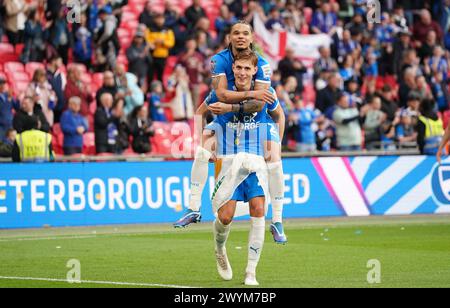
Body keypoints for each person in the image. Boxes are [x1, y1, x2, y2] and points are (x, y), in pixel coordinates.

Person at [175, 22, 287, 244]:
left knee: (275, 161)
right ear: (230, 38)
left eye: (245, 33)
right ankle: (194, 208)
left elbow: (259, 104)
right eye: (236, 33)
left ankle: (277, 220)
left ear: (252, 38)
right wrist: (202, 139)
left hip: (259, 123)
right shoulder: (219, 61)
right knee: (200, 153)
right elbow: (219, 97)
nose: (240, 37)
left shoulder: (263, 66)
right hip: (228, 122)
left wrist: (278, 143)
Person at [201, 50, 282, 285]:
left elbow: (279, 115)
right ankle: (219, 249)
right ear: (233, 69)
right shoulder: (222, 95)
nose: (243, 72)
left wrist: (276, 143)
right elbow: (207, 119)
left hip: (255, 162)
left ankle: (251, 272)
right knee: (225, 217)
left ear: (255, 71)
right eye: (239, 68)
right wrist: (207, 146)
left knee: (259, 209)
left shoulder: (265, 94)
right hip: (229, 162)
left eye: (248, 68)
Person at [145, 13, 175, 82]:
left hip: (162, 55)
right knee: (150, 75)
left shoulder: (168, 30)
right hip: (151, 55)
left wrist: (163, 42)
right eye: (158, 18)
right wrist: (154, 42)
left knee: (160, 75)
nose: (159, 20)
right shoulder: (150, 29)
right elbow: (147, 40)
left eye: (161, 18)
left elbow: (171, 43)